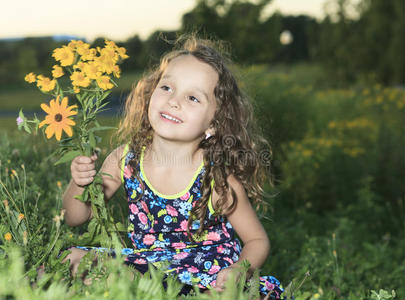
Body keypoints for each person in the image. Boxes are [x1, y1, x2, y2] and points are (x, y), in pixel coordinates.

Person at [62, 35, 284, 299]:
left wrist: (239, 270)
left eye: (192, 98)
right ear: (150, 94)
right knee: (69, 259)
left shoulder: (217, 180)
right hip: (147, 267)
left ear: (214, 123)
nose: (174, 101)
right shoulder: (126, 159)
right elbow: (74, 217)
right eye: (167, 88)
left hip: (206, 279)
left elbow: (257, 241)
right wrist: (80, 182)